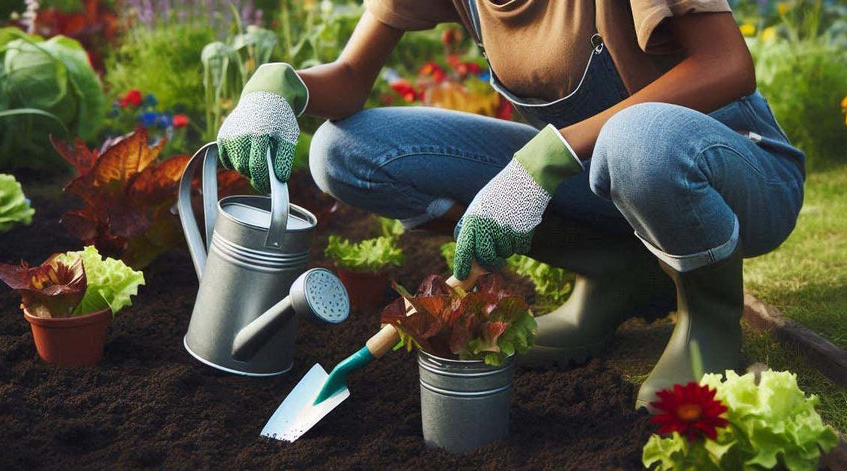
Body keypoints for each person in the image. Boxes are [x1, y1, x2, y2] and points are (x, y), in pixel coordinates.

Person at [215, 0, 805, 409]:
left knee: (638, 137)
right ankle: (617, 272)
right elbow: (348, 78)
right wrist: (278, 84)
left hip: (729, 172)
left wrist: (542, 163)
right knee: (345, 152)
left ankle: (709, 316)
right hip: (596, 177)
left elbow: (728, 66)